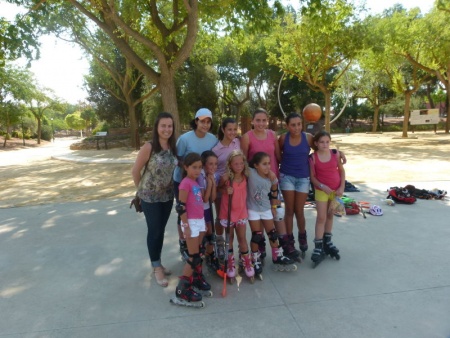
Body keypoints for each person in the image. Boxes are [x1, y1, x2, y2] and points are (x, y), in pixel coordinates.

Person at [131, 112, 177, 288]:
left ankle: (158, 261)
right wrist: (140, 193)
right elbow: (135, 171)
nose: (167, 129)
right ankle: (156, 266)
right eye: (163, 126)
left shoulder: (173, 147)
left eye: (170, 126)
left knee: (161, 230)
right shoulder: (149, 147)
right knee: (155, 230)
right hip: (150, 198)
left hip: (167, 196)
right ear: (157, 128)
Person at [173, 108, 218, 260]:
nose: (205, 125)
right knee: (184, 211)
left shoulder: (212, 139)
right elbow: (177, 158)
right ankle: (184, 242)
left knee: (199, 209)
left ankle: (199, 243)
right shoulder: (185, 139)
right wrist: (190, 173)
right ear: (196, 121)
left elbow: (211, 159)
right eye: (202, 121)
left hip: (201, 181)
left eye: (208, 122)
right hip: (183, 181)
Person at [247, 152, 297, 275]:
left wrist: (274, 206)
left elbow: (274, 193)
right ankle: (255, 259)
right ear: (256, 165)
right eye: (264, 164)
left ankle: (277, 256)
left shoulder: (272, 178)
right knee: (257, 236)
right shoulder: (250, 173)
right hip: (253, 209)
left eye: (269, 163)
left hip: (266, 209)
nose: (268, 166)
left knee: (273, 234)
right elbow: (238, 162)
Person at [174, 153, 212, 306]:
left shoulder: (195, 183)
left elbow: (203, 200)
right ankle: (182, 290)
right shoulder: (185, 183)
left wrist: (209, 184)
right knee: (193, 256)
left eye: (199, 168)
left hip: (199, 221)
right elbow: (180, 206)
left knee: (200, 251)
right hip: (190, 222)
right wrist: (186, 226)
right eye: (194, 167)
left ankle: (195, 279)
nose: (197, 170)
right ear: (186, 167)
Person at [278, 113, 314, 258]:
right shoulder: (283, 138)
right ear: (287, 126)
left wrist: (338, 153)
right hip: (287, 176)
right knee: (289, 210)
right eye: (293, 125)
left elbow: (321, 152)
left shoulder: (308, 138)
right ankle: (289, 241)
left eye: (299, 124)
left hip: (303, 178)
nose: (297, 127)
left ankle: (302, 235)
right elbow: (278, 155)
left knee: (299, 210)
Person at [309, 131, 345, 265]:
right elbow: (312, 177)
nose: (325, 144)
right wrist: (322, 186)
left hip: (336, 192)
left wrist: (342, 187)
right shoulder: (313, 158)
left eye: (327, 142)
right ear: (316, 144)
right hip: (321, 191)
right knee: (321, 217)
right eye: (322, 142)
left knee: (331, 215)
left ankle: (327, 241)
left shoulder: (335, 155)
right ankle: (318, 245)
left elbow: (341, 171)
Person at [218, 150, 254, 281]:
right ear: (230, 165)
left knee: (242, 238)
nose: (239, 166)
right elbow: (218, 189)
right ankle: (230, 263)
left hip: (241, 212)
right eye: (236, 164)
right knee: (230, 239)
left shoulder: (246, 175)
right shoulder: (226, 177)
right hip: (227, 213)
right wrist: (224, 190)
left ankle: (246, 262)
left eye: (241, 163)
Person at [211, 117, 240, 260]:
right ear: (223, 129)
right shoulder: (216, 149)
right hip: (221, 187)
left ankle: (231, 248)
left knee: (232, 217)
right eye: (229, 129)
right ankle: (220, 242)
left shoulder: (237, 142)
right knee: (221, 217)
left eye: (235, 129)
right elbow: (213, 170)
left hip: (237, 187)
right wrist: (221, 183)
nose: (232, 132)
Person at [197, 150, 219, 272]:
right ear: (204, 164)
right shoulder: (200, 176)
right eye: (210, 164)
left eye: (215, 164)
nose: (214, 167)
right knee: (202, 234)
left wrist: (213, 183)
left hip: (207, 208)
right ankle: (198, 257)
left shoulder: (213, 175)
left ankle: (210, 255)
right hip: (198, 211)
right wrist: (210, 183)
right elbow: (204, 198)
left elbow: (213, 198)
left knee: (210, 233)